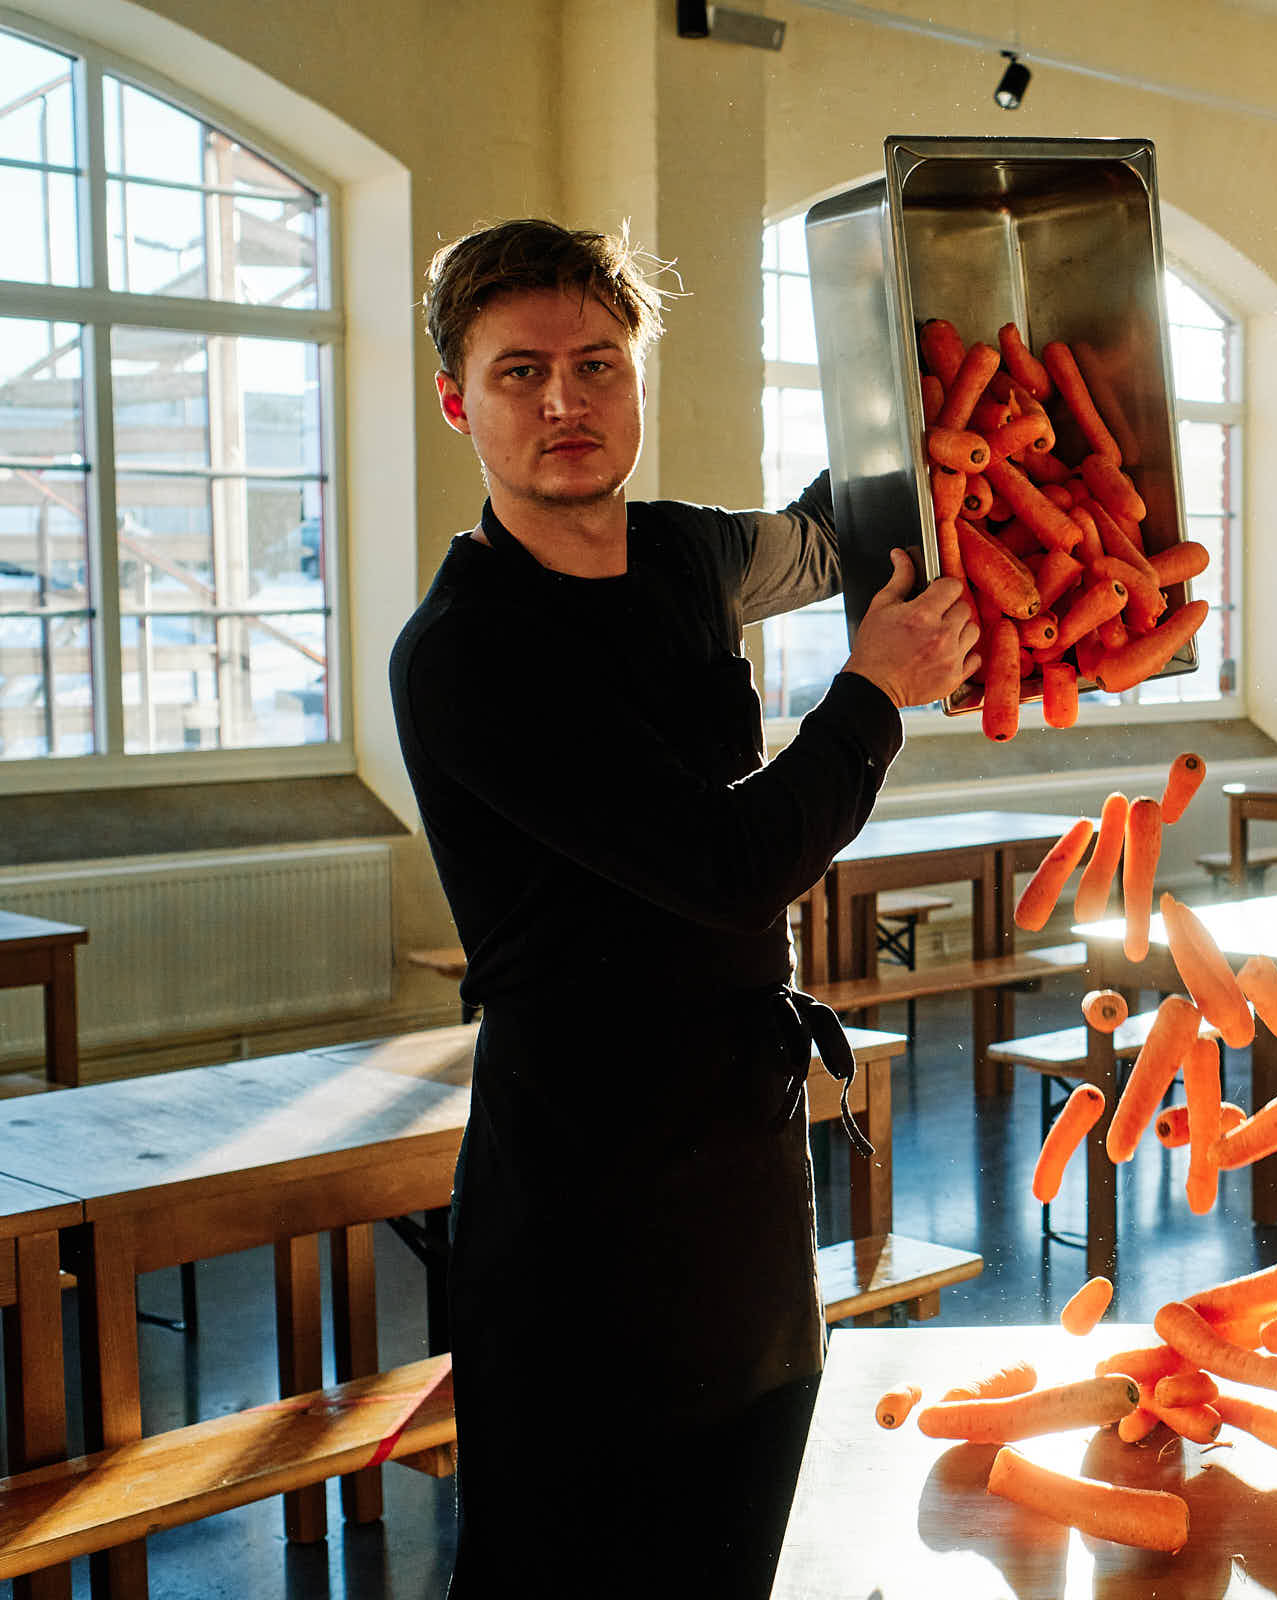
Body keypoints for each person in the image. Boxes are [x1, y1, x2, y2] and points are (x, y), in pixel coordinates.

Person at [389, 218, 976, 1597]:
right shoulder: (466, 654)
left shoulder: (689, 557)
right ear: (456, 400)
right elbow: (726, 864)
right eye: (520, 371)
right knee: (581, 1557)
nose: (565, 401)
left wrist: (944, 387)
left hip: (742, 1148)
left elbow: (839, 536)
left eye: (597, 363)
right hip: (583, 1182)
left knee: (754, 1525)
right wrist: (873, 698)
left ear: (638, 380)